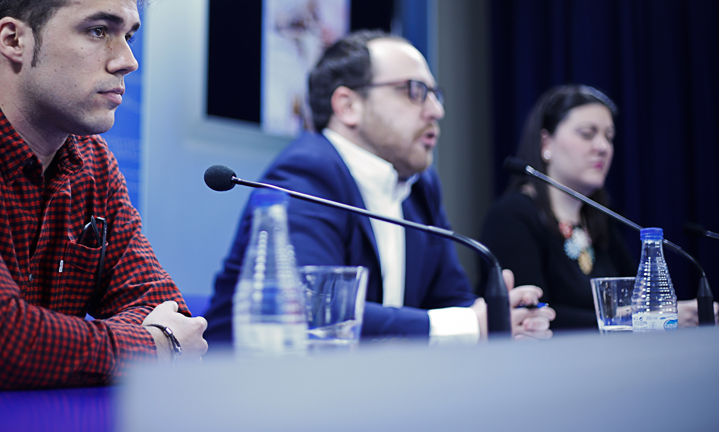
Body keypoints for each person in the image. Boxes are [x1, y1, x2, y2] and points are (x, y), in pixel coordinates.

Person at [0, 0, 208, 390]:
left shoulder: (94, 164)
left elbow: (167, 309)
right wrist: (155, 346)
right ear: (13, 40)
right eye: (99, 31)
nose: (127, 61)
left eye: (129, 36)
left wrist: (149, 337)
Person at [204, 31, 554, 344]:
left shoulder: (420, 184)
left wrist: (502, 318)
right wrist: (467, 325)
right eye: (415, 92)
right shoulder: (306, 172)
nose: (435, 111)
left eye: (435, 95)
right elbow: (312, 310)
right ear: (348, 106)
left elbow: (452, 299)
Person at [479, 85, 713, 330]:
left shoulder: (601, 220)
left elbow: (640, 299)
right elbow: (532, 317)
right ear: (545, 143)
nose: (603, 147)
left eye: (609, 137)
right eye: (588, 134)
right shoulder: (511, 216)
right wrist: (630, 319)